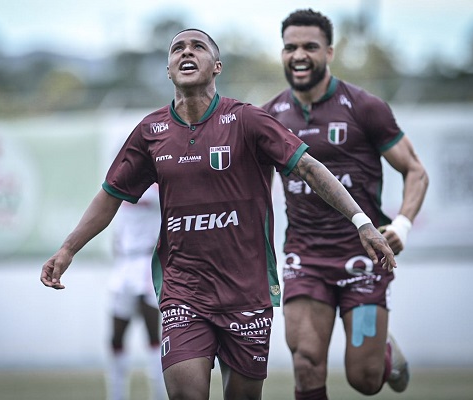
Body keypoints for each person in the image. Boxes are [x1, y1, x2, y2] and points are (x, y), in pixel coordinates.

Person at [40, 28, 396, 400]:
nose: (186, 52)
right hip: (184, 291)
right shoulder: (150, 132)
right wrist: (67, 250)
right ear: (168, 69)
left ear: (217, 66)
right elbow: (110, 195)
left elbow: (309, 168)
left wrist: (362, 222)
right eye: (177, 48)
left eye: (198, 47)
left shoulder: (248, 120)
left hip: (246, 293)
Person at [262, 9, 429, 400]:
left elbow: (416, 171)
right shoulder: (270, 116)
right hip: (305, 257)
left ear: (329, 52)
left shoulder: (364, 107)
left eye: (309, 46)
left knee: (365, 380)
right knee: (306, 363)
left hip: (363, 256)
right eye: (290, 47)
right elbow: (253, 189)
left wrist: (402, 224)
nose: (298, 55)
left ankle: (384, 352)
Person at [107, 184, 165, 400]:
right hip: (124, 264)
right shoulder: (121, 183)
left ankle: (159, 395)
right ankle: (116, 395)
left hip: (146, 261)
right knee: (116, 337)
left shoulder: (159, 186)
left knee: (153, 336)